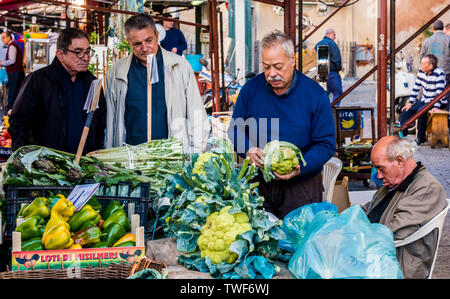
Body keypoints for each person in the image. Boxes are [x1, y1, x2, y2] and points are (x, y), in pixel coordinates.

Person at [228, 30, 336, 219]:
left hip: (301, 187)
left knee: (298, 243)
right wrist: (248, 150)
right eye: (266, 67)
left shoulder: (314, 95)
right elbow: (235, 130)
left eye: (278, 66)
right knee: (258, 242)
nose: (271, 73)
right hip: (258, 185)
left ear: (292, 60)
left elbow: (326, 144)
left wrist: (301, 166)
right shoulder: (250, 90)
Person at [105, 14, 210, 153]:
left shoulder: (179, 66)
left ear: (157, 35)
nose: (144, 48)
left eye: (149, 40)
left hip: (171, 160)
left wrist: (194, 153)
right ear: (129, 42)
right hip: (130, 159)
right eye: (137, 44)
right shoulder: (117, 72)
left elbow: (196, 112)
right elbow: (110, 120)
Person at [9, 28, 106, 155]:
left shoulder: (93, 84)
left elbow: (100, 124)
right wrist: (25, 159)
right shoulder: (38, 80)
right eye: (79, 52)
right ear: (60, 55)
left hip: (84, 165)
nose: (86, 58)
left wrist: (94, 155)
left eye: (88, 52)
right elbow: (19, 122)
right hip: (47, 166)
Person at [361, 135, 447, 279]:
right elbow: (367, 210)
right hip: (376, 256)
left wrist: (356, 236)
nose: (379, 175)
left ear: (400, 161)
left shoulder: (427, 188)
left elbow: (394, 231)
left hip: (396, 266)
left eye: (381, 168)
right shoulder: (394, 183)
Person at [400, 54, 447, 145]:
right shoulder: (421, 71)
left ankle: (421, 138)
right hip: (425, 100)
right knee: (406, 111)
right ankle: (403, 137)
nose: (420, 65)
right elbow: (416, 87)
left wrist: (436, 107)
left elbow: (439, 94)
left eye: (423, 64)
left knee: (421, 111)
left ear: (430, 66)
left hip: (438, 101)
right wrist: (410, 102)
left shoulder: (439, 73)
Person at [315, 28, 343, 103]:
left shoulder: (318, 44)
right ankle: (334, 110)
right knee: (338, 92)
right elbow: (336, 59)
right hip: (332, 72)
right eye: (334, 34)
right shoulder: (332, 44)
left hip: (322, 72)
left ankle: (324, 111)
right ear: (329, 34)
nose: (335, 37)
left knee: (324, 93)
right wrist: (339, 68)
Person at [0, 31, 25, 111]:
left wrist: (2, 63)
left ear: (9, 37)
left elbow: (12, 60)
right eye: (1, 38)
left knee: (13, 95)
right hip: (16, 73)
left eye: (3, 38)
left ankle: (11, 114)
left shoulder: (12, 46)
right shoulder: (14, 46)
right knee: (15, 94)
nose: (2, 40)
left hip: (15, 73)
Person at [420, 20, 450, 84]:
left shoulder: (426, 41)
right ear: (442, 28)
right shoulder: (448, 39)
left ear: (433, 29)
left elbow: (422, 56)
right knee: (446, 92)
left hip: (431, 72)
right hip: (446, 71)